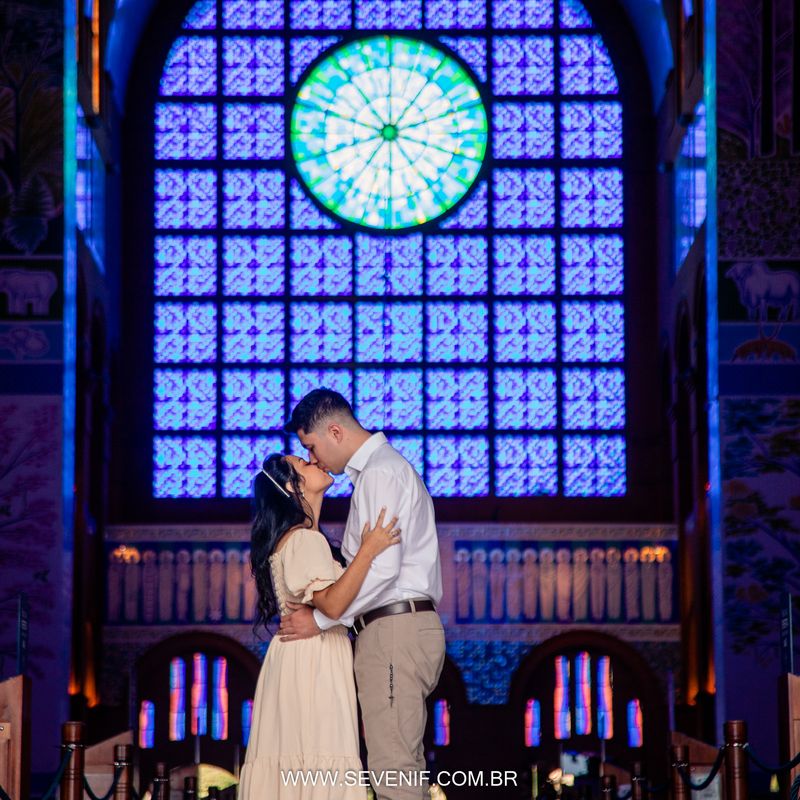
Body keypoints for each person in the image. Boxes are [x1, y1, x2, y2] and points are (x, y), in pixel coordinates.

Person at [278, 389, 445, 800]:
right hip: (392, 628)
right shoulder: (378, 472)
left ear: (334, 431)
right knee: (395, 766)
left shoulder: (380, 473)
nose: (313, 458)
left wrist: (319, 621)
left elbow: (383, 572)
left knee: (393, 772)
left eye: (311, 446)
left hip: (393, 628)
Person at [239, 452, 401, 800]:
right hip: (313, 662)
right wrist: (369, 551)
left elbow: (330, 605)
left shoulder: (304, 538)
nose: (318, 463)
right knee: (319, 750)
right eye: (304, 463)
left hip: (301, 655)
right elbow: (332, 602)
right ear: (290, 485)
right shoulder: (303, 539)